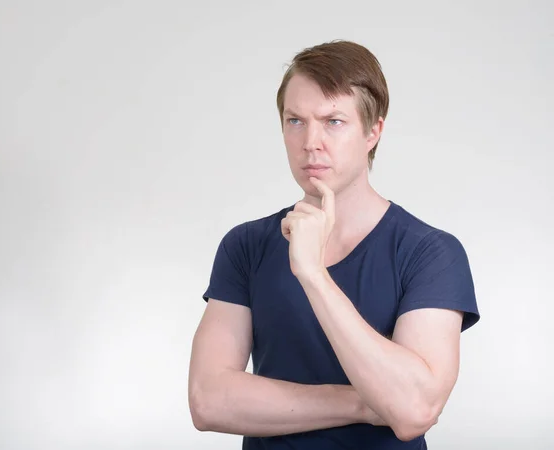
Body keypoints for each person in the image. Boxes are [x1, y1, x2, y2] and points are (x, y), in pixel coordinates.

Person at [188, 39, 480, 449]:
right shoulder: (245, 246)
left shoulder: (430, 253)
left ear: (373, 131)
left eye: (333, 121)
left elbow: (414, 411)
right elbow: (208, 401)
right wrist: (363, 404)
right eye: (296, 121)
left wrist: (314, 276)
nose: (311, 142)